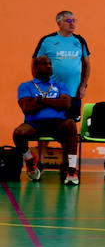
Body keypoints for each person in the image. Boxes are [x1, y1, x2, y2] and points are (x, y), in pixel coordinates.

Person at [16, 56, 80, 184]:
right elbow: (27, 107)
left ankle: (71, 170)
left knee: (71, 124)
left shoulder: (60, 85)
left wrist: (40, 100)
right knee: (19, 133)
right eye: (45, 64)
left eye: (50, 64)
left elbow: (66, 103)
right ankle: (29, 161)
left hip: (57, 124)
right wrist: (54, 102)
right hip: (35, 125)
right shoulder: (26, 86)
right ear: (35, 68)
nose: (49, 66)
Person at [32, 10, 90, 123]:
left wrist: (83, 86)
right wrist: (39, 85)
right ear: (59, 23)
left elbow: (87, 65)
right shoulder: (47, 40)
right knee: (46, 124)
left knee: (71, 124)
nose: (72, 23)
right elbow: (35, 63)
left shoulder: (80, 41)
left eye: (74, 20)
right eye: (68, 21)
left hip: (74, 92)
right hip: (52, 93)